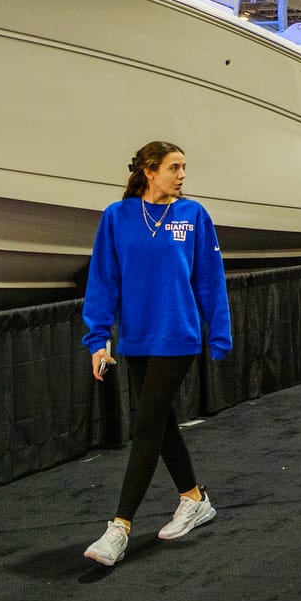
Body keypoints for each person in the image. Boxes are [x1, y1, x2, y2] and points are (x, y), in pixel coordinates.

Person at [80, 141, 233, 567]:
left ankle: (119, 527)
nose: (182, 175)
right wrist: (98, 340)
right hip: (137, 339)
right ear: (149, 171)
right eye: (174, 167)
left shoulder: (193, 215)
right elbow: (103, 281)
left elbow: (210, 279)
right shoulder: (117, 216)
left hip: (178, 336)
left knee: (146, 425)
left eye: (184, 167)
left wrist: (219, 334)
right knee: (160, 423)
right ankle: (194, 498)